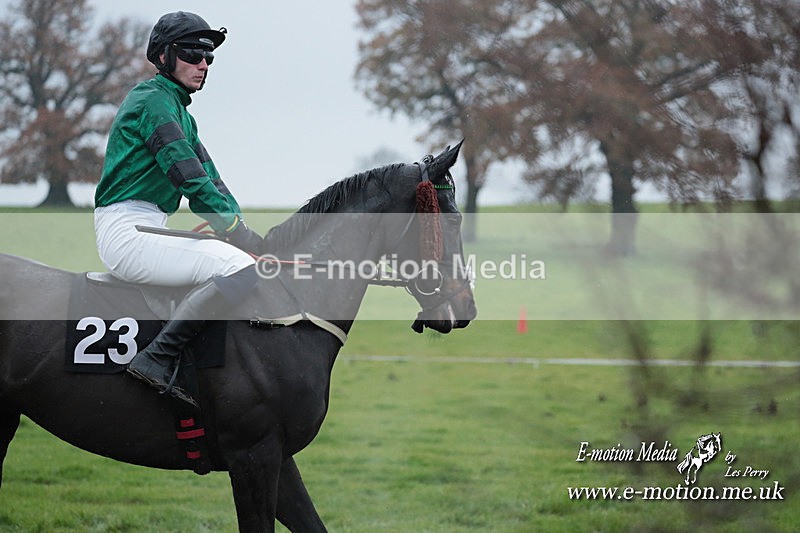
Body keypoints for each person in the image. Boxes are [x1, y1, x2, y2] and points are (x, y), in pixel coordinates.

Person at [94, 12, 264, 408]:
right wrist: (236, 233)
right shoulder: (153, 102)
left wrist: (243, 229)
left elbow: (211, 179)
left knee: (240, 258)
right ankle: (156, 357)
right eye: (192, 54)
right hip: (127, 232)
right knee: (239, 269)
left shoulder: (180, 113)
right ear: (163, 56)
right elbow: (189, 179)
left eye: (208, 57)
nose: (203, 64)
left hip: (147, 226)